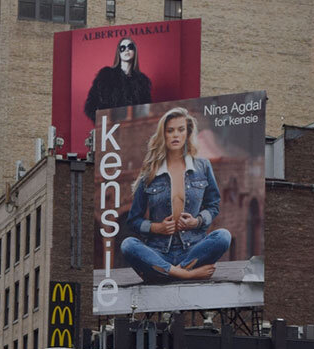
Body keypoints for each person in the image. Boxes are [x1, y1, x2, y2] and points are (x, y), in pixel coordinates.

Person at [120, 107, 231, 283]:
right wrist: (158, 228)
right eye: (170, 130)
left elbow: (213, 205)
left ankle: (162, 273)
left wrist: (197, 221)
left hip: (193, 249)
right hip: (158, 251)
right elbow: (134, 220)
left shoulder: (203, 166)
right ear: (163, 135)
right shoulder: (149, 172)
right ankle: (185, 274)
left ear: (188, 133)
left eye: (180, 130)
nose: (175, 135)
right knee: (128, 245)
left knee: (223, 236)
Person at [83, 36, 152, 122]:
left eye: (130, 47)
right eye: (122, 48)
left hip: (131, 130)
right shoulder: (105, 76)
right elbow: (90, 106)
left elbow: (146, 112)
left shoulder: (142, 82)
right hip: (110, 130)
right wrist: (105, 123)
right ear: (118, 53)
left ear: (135, 51)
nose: (126, 50)